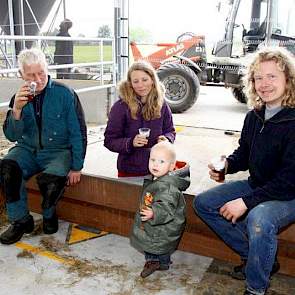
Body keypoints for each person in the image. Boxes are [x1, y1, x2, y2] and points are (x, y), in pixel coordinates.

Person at [193, 46, 295, 295]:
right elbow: (244, 154)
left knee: (259, 219)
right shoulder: (254, 116)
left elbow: (288, 181)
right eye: (258, 77)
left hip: (289, 193)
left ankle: (255, 288)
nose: (264, 83)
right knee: (204, 203)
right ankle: (259, 260)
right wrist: (226, 165)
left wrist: (246, 202)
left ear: (288, 81)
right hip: (260, 184)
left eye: (272, 76)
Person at [0, 48, 87, 245]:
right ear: (21, 75)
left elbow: (78, 132)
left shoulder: (65, 94)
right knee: (7, 168)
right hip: (27, 149)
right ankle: (21, 221)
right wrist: (17, 111)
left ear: (47, 69)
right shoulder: (18, 98)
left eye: (41, 72)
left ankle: (49, 214)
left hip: (58, 151)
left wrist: (77, 166)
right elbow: (12, 135)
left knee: (51, 180)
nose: (38, 79)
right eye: (31, 74)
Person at [104, 61, 176, 177]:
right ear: (130, 84)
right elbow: (109, 141)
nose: (140, 85)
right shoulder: (120, 107)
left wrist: (167, 139)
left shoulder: (162, 104)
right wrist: (130, 142)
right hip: (130, 171)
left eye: (144, 79)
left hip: (159, 170)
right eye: (135, 81)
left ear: (152, 80)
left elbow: (170, 131)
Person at [130, 141, 190, 278]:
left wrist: (154, 212)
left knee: (154, 244)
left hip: (161, 224)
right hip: (160, 225)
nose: (155, 164)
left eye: (161, 161)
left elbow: (166, 206)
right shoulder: (160, 178)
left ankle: (154, 262)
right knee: (160, 244)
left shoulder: (167, 188)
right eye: (152, 160)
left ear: (171, 166)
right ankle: (163, 262)